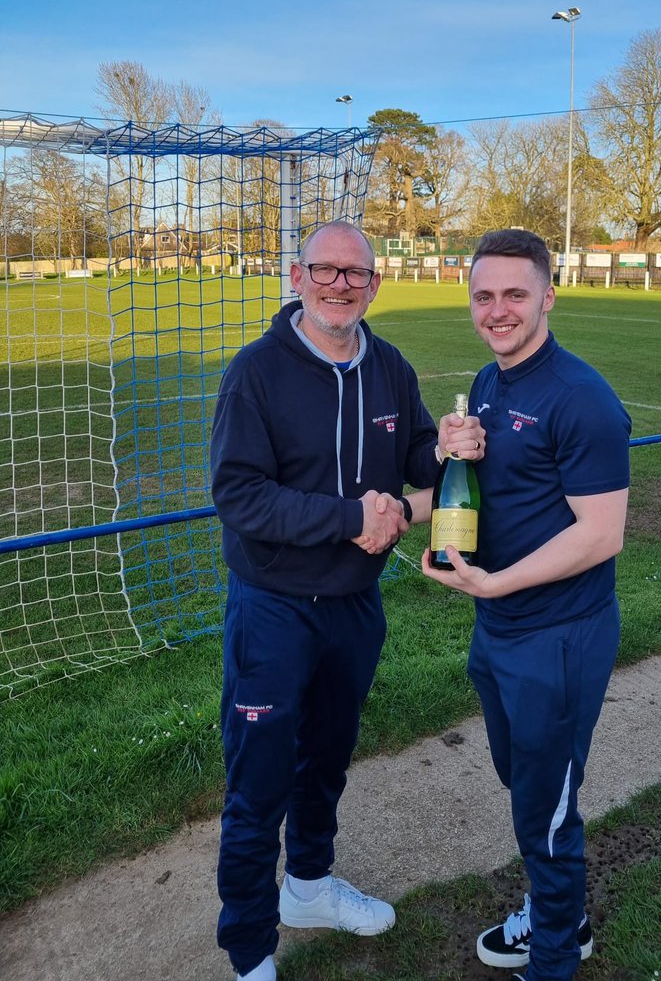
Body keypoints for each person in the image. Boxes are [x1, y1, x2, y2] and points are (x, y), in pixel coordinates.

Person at [210, 220, 483, 981]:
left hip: (355, 610)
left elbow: (420, 461)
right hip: (272, 607)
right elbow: (237, 496)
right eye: (324, 270)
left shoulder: (390, 367)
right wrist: (350, 518)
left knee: (325, 761)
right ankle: (250, 949)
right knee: (259, 780)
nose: (340, 284)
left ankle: (307, 888)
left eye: (355, 274)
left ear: (374, 285)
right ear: (296, 278)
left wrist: (451, 447)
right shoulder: (256, 372)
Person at [421, 229, 631, 981]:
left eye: (516, 294)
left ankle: (553, 955)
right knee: (528, 783)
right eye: (484, 295)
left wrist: (496, 584)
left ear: (549, 293)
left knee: (543, 808)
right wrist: (451, 451)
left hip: (558, 636)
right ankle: (560, 913)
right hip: (499, 628)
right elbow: (487, 485)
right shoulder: (486, 380)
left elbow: (602, 535)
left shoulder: (582, 399)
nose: (498, 310)